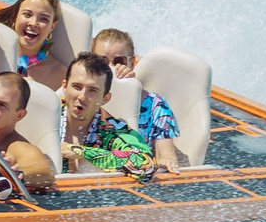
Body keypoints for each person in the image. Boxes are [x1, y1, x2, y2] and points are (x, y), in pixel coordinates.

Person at [91, 27, 178, 159]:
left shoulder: (156, 105)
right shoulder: (83, 97)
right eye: (102, 62)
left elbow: (167, 157)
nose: (111, 68)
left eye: (119, 61)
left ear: (131, 63)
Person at [58, 52, 150, 174]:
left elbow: (146, 164)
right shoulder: (43, 117)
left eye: (92, 90)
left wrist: (82, 152)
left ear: (105, 98)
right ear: (65, 87)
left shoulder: (112, 130)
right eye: (77, 86)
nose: (82, 96)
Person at [0, 70, 54, 190]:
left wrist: (15, 174)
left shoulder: (17, 147)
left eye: (2, 105)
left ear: (19, 115)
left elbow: (46, 174)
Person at [0, 0, 69, 90]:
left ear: (52, 26)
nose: (33, 23)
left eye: (43, 19)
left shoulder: (59, 74)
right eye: (27, 14)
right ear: (15, 17)